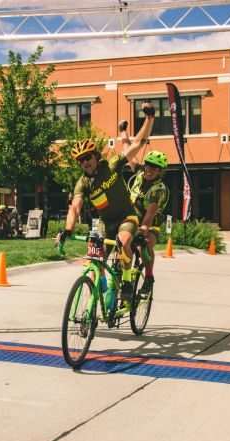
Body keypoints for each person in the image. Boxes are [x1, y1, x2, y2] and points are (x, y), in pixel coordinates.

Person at [56, 102, 156, 300]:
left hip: (127, 217)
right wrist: (67, 230)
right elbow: (75, 207)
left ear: (95, 156)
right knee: (95, 259)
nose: (85, 162)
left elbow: (137, 144)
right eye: (80, 160)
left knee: (124, 240)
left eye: (87, 157)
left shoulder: (111, 166)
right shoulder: (82, 183)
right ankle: (97, 299)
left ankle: (127, 282)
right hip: (105, 223)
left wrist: (149, 119)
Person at [127, 149, 170, 296]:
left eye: (156, 168)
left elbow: (149, 215)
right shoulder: (140, 174)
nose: (151, 169)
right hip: (132, 219)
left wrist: (143, 229)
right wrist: (124, 132)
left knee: (144, 245)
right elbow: (130, 154)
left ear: (160, 171)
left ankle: (149, 277)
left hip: (151, 223)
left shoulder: (159, 189)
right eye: (149, 165)